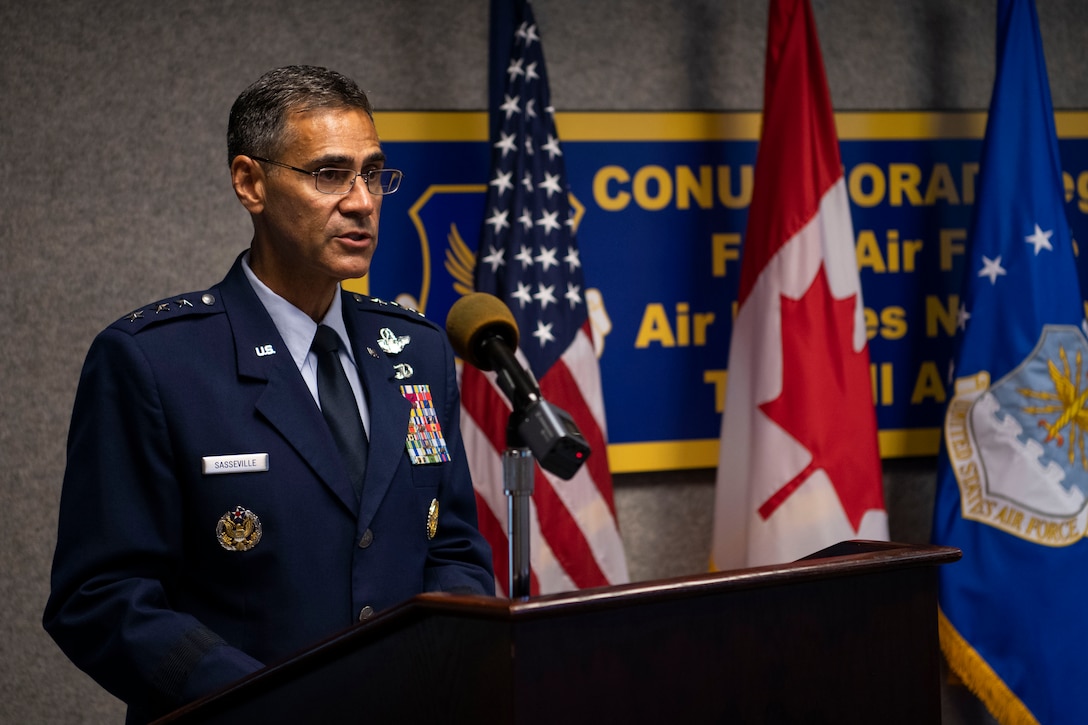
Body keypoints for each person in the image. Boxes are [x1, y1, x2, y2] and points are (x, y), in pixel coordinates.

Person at [43, 65, 495, 723]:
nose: (363, 200)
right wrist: (275, 699)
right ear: (250, 182)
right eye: (329, 175)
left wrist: (437, 663)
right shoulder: (154, 360)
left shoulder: (417, 350)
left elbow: (451, 546)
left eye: (373, 173)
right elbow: (100, 596)